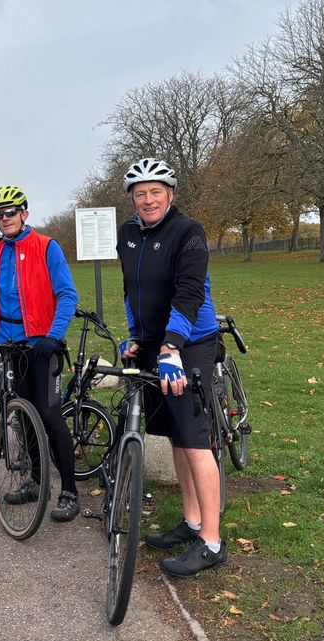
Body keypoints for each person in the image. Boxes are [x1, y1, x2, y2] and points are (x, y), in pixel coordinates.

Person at [116, 157, 225, 576]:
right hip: (155, 345)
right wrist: (136, 336)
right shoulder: (127, 234)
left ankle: (212, 541)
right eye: (140, 194)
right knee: (176, 435)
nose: (147, 200)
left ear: (170, 195)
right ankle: (193, 520)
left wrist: (171, 347)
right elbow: (133, 289)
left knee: (195, 440)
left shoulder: (189, 232)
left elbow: (189, 293)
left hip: (190, 343)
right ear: (132, 199)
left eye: (155, 192)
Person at [0, 185, 80, 521]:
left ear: (24, 213)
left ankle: (69, 490)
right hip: (11, 346)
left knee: (50, 416)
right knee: (23, 417)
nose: (4, 218)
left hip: (41, 345)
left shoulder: (46, 247)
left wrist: (53, 336)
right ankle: (37, 482)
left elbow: (68, 295)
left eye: (10, 211)